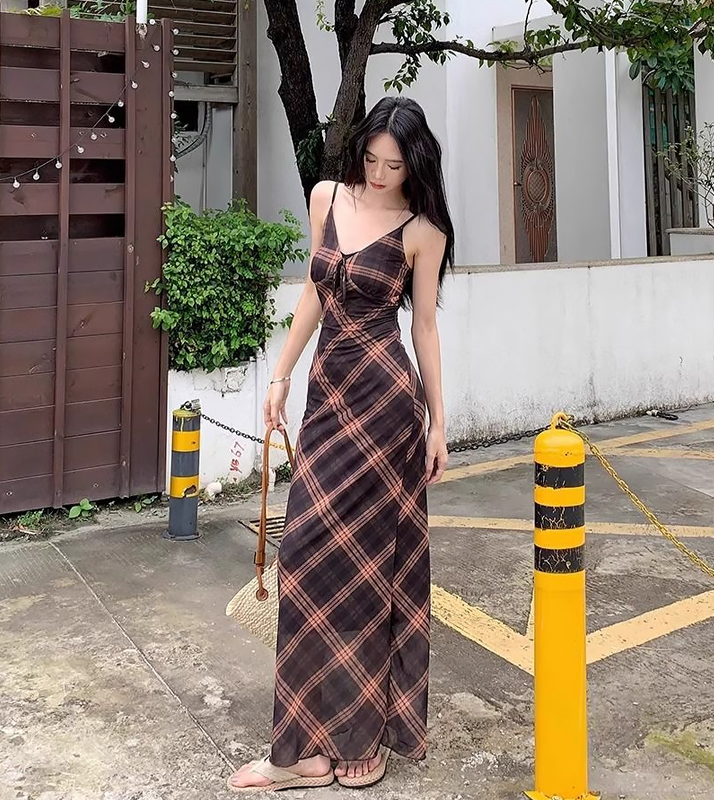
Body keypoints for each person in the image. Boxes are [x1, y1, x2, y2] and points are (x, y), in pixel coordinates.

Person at [228, 96, 454, 792]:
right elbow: (312, 292)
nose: (380, 174)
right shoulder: (326, 196)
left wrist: (438, 422)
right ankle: (299, 750)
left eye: (395, 165)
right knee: (302, 555)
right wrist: (279, 375)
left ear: (415, 165)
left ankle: (361, 739)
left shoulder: (423, 231)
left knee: (368, 570)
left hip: (386, 405)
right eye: (373, 159)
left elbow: (423, 328)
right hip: (328, 398)